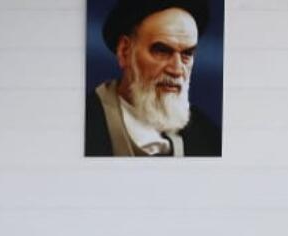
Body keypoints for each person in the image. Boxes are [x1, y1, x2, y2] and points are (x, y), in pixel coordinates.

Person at [85, 0, 221, 157]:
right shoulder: (86, 123)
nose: (177, 70)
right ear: (125, 52)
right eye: (162, 51)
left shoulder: (208, 136)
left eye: (187, 54)